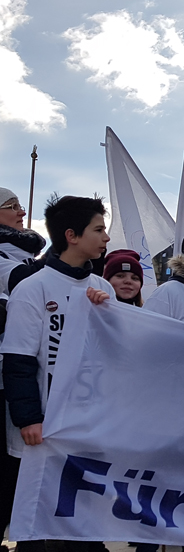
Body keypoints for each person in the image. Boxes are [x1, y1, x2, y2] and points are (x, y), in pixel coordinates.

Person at [1, 196, 113, 552]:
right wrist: (28, 419)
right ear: (72, 235)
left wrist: (106, 316)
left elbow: (118, 356)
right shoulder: (33, 289)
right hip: (43, 431)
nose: (106, 238)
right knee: (41, 528)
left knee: (84, 522)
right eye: (98, 229)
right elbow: (18, 361)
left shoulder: (105, 289)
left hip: (89, 427)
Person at [0, 188, 44, 541]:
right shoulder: (11, 259)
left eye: (19, 205)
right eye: (11, 206)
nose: (20, 211)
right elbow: (22, 284)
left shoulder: (29, 256)